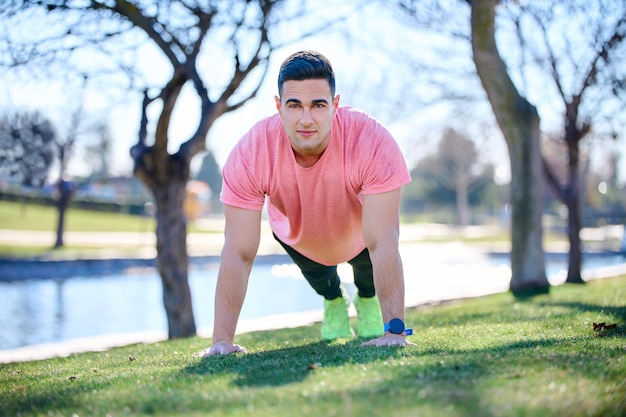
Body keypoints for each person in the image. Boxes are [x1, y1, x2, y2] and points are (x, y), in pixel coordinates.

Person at [197, 50, 413, 357]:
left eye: (318, 105)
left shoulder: (372, 140)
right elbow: (238, 251)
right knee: (324, 283)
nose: (306, 119)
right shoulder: (252, 152)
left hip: (360, 236)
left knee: (368, 283)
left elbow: (384, 241)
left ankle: (366, 302)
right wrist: (221, 341)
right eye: (295, 105)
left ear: (335, 106)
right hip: (299, 236)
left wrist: (395, 331)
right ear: (278, 106)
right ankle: (334, 300)